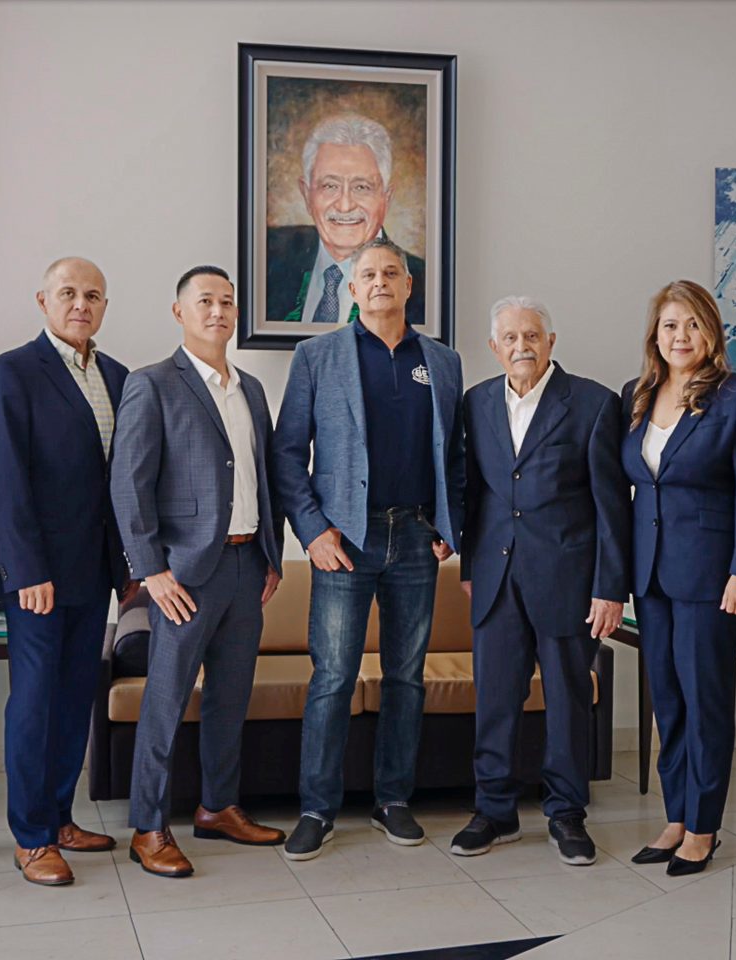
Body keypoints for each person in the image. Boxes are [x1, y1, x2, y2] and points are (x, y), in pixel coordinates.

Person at [272, 237, 463, 860]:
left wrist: (446, 525)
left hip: (414, 537)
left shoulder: (442, 360)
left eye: (391, 273)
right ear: (351, 290)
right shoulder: (317, 356)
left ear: (409, 287)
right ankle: (316, 809)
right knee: (333, 676)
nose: (380, 281)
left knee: (406, 678)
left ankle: (393, 800)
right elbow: (286, 453)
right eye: (368, 275)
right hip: (343, 541)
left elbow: (453, 454)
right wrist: (313, 531)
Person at [109, 265, 287, 878]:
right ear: (179, 311)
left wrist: (271, 552)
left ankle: (218, 807)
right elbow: (128, 484)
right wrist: (150, 570)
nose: (219, 311)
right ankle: (149, 826)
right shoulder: (152, 383)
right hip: (182, 574)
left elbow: (266, 479)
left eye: (228, 302)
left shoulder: (253, 390)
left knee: (230, 699)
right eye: (205, 301)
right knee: (166, 699)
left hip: (246, 566)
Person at [451, 296, 628, 866]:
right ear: (494, 347)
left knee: (569, 704)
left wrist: (609, 588)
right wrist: (471, 569)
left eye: (532, 335)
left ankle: (567, 814)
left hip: (570, 582)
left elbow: (611, 507)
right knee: (496, 701)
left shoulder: (595, 404)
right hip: (495, 579)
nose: (521, 346)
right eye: (510, 338)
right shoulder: (475, 404)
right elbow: (474, 494)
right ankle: (495, 811)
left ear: (551, 342)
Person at [0, 257, 131, 886]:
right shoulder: (12, 373)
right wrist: (23, 568)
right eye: (68, 293)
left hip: (94, 571)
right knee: (34, 703)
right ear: (43, 300)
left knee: (73, 699)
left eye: (93, 295)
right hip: (37, 576)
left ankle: (62, 817)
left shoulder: (118, 376)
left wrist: (129, 567)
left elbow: (122, 482)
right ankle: (32, 837)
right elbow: (2, 480)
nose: (81, 304)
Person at [619, 280, 736, 876]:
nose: (679, 336)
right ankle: (676, 815)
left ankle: (704, 826)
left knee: (705, 700)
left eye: (690, 324)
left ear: (711, 330)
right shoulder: (637, 394)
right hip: (652, 575)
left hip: (713, 576)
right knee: (668, 700)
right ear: (654, 335)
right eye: (668, 326)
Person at [266, 113, 426, 326]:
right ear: (306, 194)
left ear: (387, 197)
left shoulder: (424, 284)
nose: (345, 205)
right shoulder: (267, 255)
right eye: (330, 186)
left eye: (361, 187)